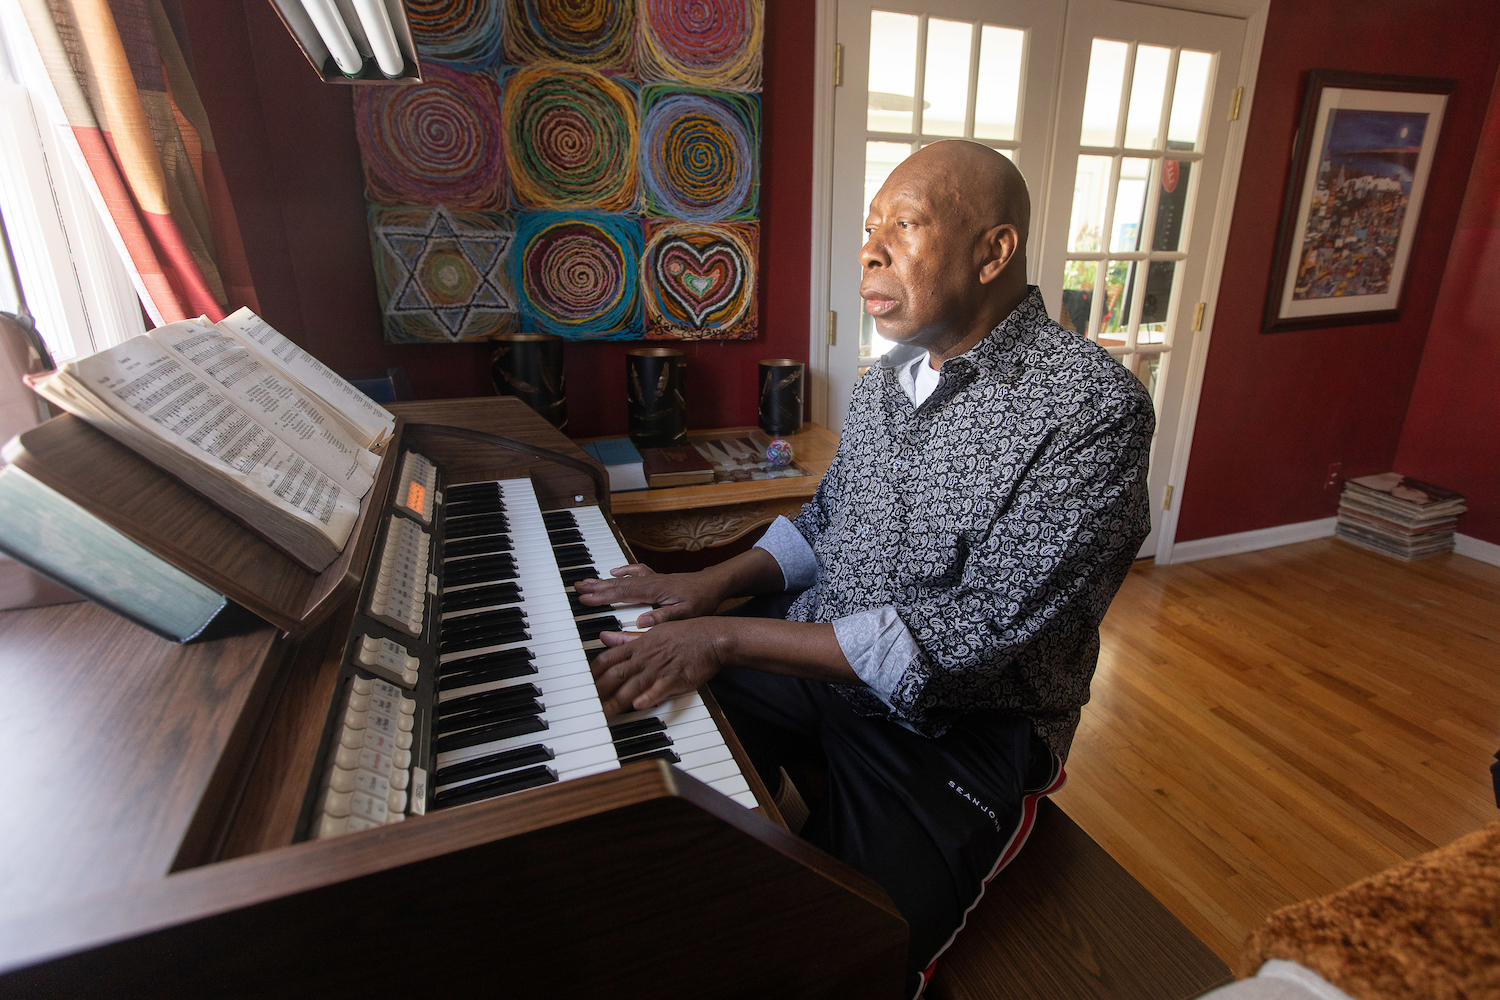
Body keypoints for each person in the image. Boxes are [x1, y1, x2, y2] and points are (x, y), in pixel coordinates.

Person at [576, 139, 1154, 998]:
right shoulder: (889, 379)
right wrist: (710, 586)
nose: (870, 250)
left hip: (960, 726)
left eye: (905, 225)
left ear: (994, 251)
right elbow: (831, 524)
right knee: (631, 721)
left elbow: (968, 640)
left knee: (849, 955)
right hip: (819, 666)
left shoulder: (1093, 409)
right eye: (869, 228)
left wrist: (728, 637)